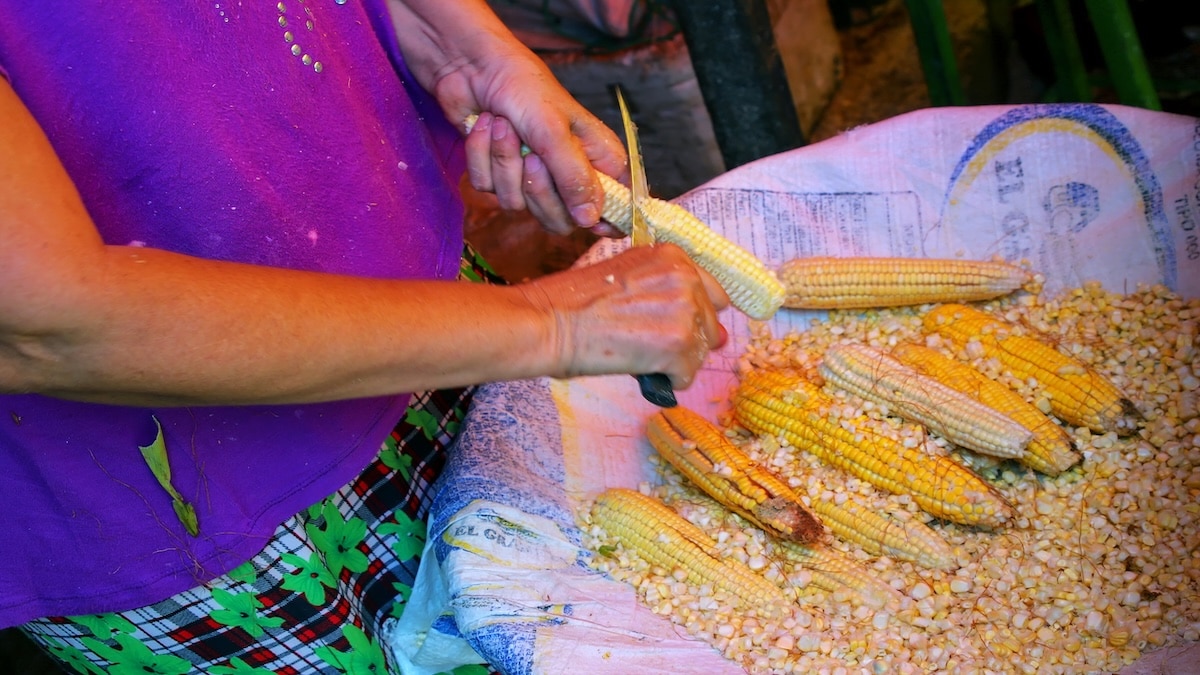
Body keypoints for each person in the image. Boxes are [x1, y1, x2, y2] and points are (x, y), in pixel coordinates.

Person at [0, 1, 728, 672]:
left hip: (421, 297)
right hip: (175, 497)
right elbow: (48, 320)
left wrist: (455, 41)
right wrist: (558, 323)